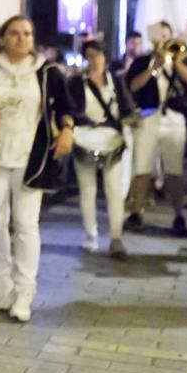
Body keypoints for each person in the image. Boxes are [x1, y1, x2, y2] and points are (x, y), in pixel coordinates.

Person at [0, 16, 74, 323]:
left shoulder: (47, 72)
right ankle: (2, 283)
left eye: (28, 33)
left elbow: (67, 107)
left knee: (26, 224)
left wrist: (68, 130)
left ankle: (24, 292)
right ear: (2, 38)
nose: (22, 39)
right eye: (15, 33)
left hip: (32, 158)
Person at [124, 21, 187, 236]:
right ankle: (136, 212)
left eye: (167, 36)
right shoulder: (143, 61)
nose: (164, 40)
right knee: (142, 166)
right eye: (160, 37)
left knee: (174, 169)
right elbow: (133, 85)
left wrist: (175, 62)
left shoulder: (181, 59)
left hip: (174, 118)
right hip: (149, 117)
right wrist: (153, 69)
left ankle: (178, 215)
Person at [68, 40, 132, 258]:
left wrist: (131, 119)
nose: (94, 60)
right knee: (88, 190)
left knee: (114, 190)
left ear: (105, 57)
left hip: (111, 138)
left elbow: (127, 106)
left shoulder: (116, 81)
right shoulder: (76, 82)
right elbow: (71, 108)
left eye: (98, 55)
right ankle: (90, 233)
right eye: (90, 56)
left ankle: (116, 237)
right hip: (85, 136)